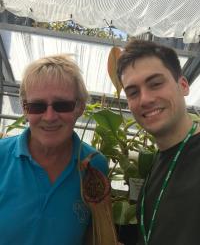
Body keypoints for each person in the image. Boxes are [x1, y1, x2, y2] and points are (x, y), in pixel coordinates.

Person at [0, 54, 110, 245]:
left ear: (80, 108)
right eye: (37, 106)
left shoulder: (95, 164)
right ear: (25, 110)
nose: (49, 117)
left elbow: (94, 233)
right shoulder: (2, 157)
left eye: (62, 105)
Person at [117, 39, 200, 245]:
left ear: (183, 85)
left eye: (156, 84)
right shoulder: (157, 162)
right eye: (133, 92)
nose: (145, 99)